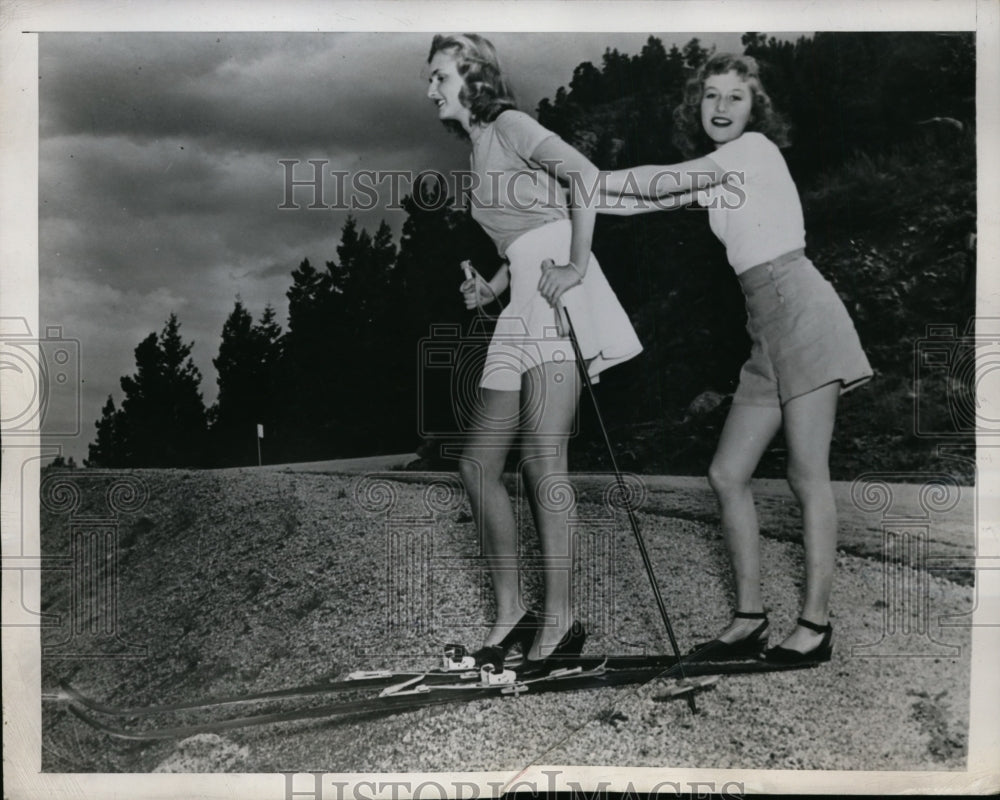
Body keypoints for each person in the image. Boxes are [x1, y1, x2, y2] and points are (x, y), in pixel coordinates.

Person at [600, 53, 872, 665]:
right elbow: (641, 200)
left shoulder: (752, 152)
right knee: (727, 475)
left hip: (802, 314)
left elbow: (656, 181)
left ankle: (815, 628)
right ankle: (749, 619)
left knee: (807, 475)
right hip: (764, 330)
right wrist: (572, 190)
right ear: (696, 107)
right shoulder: (722, 176)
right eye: (710, 97)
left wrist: (585, 174)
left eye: (735, 97)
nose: (721, 108)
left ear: (755, 110)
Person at [425, 34, 644, 673]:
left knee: (543, 461)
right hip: (519, 302)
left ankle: (563, 620)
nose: (430, 90)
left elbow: (583, 177)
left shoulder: (511, 124)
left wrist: (576, 265)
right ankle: (512, 611)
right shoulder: (477, 152)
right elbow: (519, 234)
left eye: (438, 76)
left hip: (556, 291)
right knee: (477, 465)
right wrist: (487, 287)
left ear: (472, 76)